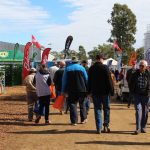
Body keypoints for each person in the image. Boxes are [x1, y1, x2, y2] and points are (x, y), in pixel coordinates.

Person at [88, 54, 114, 134]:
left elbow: (89, 81)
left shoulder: (91, 68)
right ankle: (106, 125)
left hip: (95, 93)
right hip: (105, 93)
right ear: (101, 59)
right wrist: (112, 91)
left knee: (97, 109)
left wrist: (88, 92)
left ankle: (98, 128)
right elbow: (109, 80)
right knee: (106, 108)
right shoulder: (105, 67)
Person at [61, 56, 88, 126]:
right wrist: (88, 89)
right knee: (82, 104)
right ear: (77, 61)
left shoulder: (67, 69)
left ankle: (74, 121)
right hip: (82, 89)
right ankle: (83, 119)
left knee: (72, 104)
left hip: (71, 90)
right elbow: (86, 79)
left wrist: (63, 90)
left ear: (71, 61)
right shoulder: (82, 68)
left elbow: (64, 80)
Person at [130, 60, 150, 134]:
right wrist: (132, 91)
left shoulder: (148, 74)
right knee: (138, 111)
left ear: (146, 67)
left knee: (145, 112)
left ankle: (143, 127)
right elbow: (130, 82)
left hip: (146, 96)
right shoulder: (135, 74)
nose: (141, 67)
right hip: (137, 95)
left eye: (142, 66)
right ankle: (138, 128)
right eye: (140, 66)